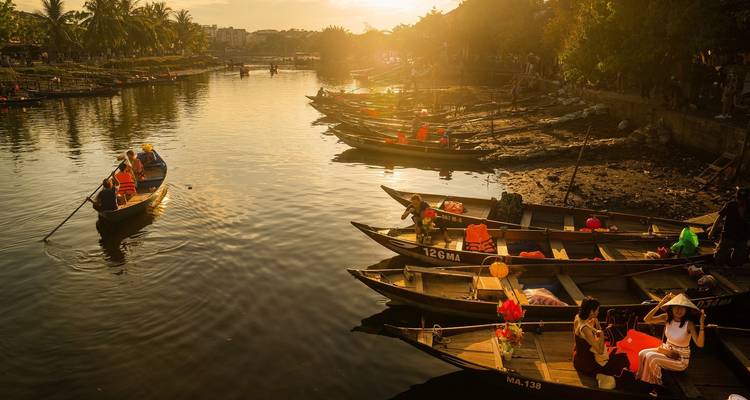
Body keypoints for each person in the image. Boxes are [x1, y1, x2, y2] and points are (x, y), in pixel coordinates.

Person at [636, 293, 705, 389]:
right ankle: (640, 378)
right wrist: (660, 305)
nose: (679, 310)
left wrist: (702, 324)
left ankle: (656, 385)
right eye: (676, 307)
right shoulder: (667, 318)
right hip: (667, 350)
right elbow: (647, 319)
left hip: (680, 359)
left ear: (686, 310)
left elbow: (700, 344)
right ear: (671, 308)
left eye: (682, 308)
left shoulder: (689, 324)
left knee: (651, 357)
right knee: (642, 353)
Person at [573, 297, 631, 379]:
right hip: (588, 363)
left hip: (578, 357)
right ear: (591, 312)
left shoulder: (578, 317)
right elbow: (600, 351)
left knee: (616, 350)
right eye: (597, 310)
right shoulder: (585, 329)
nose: (598, 312)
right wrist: (602, 336)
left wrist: (597, 324)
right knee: (622, 357)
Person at [710, 187, 750, 266]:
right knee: (719, 257)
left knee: (738, 259)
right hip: (728, 235)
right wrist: (712, 231)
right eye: (739, 199)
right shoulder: (730, 205)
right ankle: (719, 268)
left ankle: (733, 270)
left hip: (742, 237)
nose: (740, 201)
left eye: (742, 200)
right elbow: (719, 218)